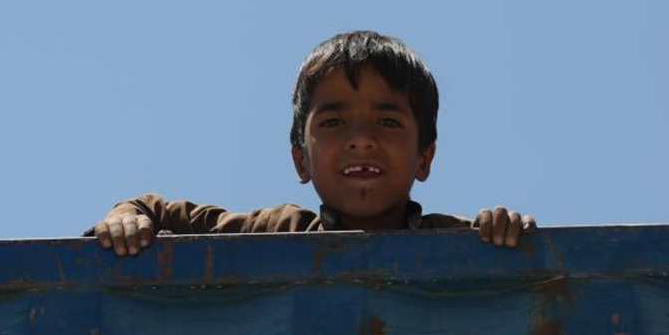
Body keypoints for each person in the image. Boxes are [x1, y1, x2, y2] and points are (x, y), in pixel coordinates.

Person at [87, 30, 535, 256]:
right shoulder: (279, 232)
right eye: (335, 121)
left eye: (387, 120)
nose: (362, 140)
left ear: (425, 156)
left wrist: (505, 233)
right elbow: (152, 210)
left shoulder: (453, 243)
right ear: (301, 161)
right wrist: (128, 217)